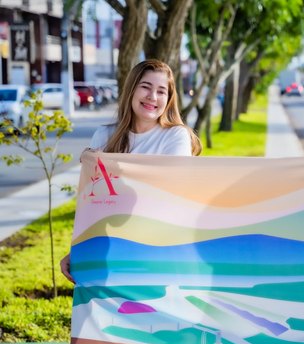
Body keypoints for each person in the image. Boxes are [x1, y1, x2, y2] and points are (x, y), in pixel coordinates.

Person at [60, 59, 202, 282]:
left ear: (169, 99)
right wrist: (78, 248)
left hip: (158, 248)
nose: (152, 97)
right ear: (132, 89)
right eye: (145, 87)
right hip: (108, 248)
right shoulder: (103, 136)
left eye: (161, 91)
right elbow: (91, 203)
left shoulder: (175, 136)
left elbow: (171, 194)